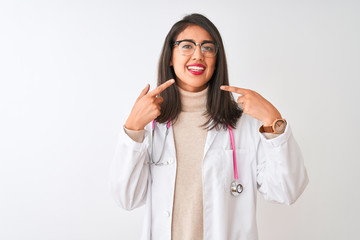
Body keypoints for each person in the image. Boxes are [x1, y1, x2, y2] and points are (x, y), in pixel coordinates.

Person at [110, 13, 308, 240]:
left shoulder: (244, 124)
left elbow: (286, 191)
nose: (198, 55)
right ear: (170, 57)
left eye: (208, 48)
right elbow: (126, 198)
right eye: (186, 46)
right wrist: (133, 129)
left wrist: (274, 121)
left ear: (217, 59)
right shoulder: (153, 125)